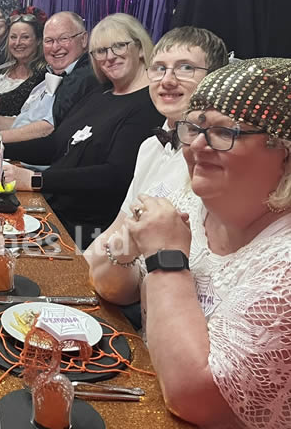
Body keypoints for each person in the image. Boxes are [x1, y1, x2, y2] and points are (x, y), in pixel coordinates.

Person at [94, 58, 291, 428]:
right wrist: (127, 247)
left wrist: (165, 257)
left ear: (284, 151)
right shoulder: (191, 202)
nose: (198, 145)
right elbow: (108, 284)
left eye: (223, 132)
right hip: (141, 395)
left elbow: (194, 397)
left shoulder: (283, 266)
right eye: (193, 128)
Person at [85, 27, 228, 309]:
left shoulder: (216, 158)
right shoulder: (150, 146)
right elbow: (116, 229)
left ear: (214, 79)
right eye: (159, 68)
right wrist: (76, 274)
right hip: (122, 287)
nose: (168, 80)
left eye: (185, 68)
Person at [2, 13, 163, 247]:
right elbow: (56, 144)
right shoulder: (101, 92)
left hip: (82, 232)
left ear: (140, 48)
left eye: (118, 46)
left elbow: (114, 176)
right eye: (100, 51)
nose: (109, 57)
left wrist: (36, 180)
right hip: (50, 210)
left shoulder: (148, 104)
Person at [0, 11, 101, 146]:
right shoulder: (51, 73)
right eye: (49, 40)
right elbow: (21, 123)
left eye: (64, 39)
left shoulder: (85, 77)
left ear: (83, 40)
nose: (55, 47)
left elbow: (46, 129)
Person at [0, 7, 47, 117]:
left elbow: (30, 123)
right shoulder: (2, 71)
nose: (17, 43)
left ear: (38, 40)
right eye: (13, 37)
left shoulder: (44, 77)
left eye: (25, 37)